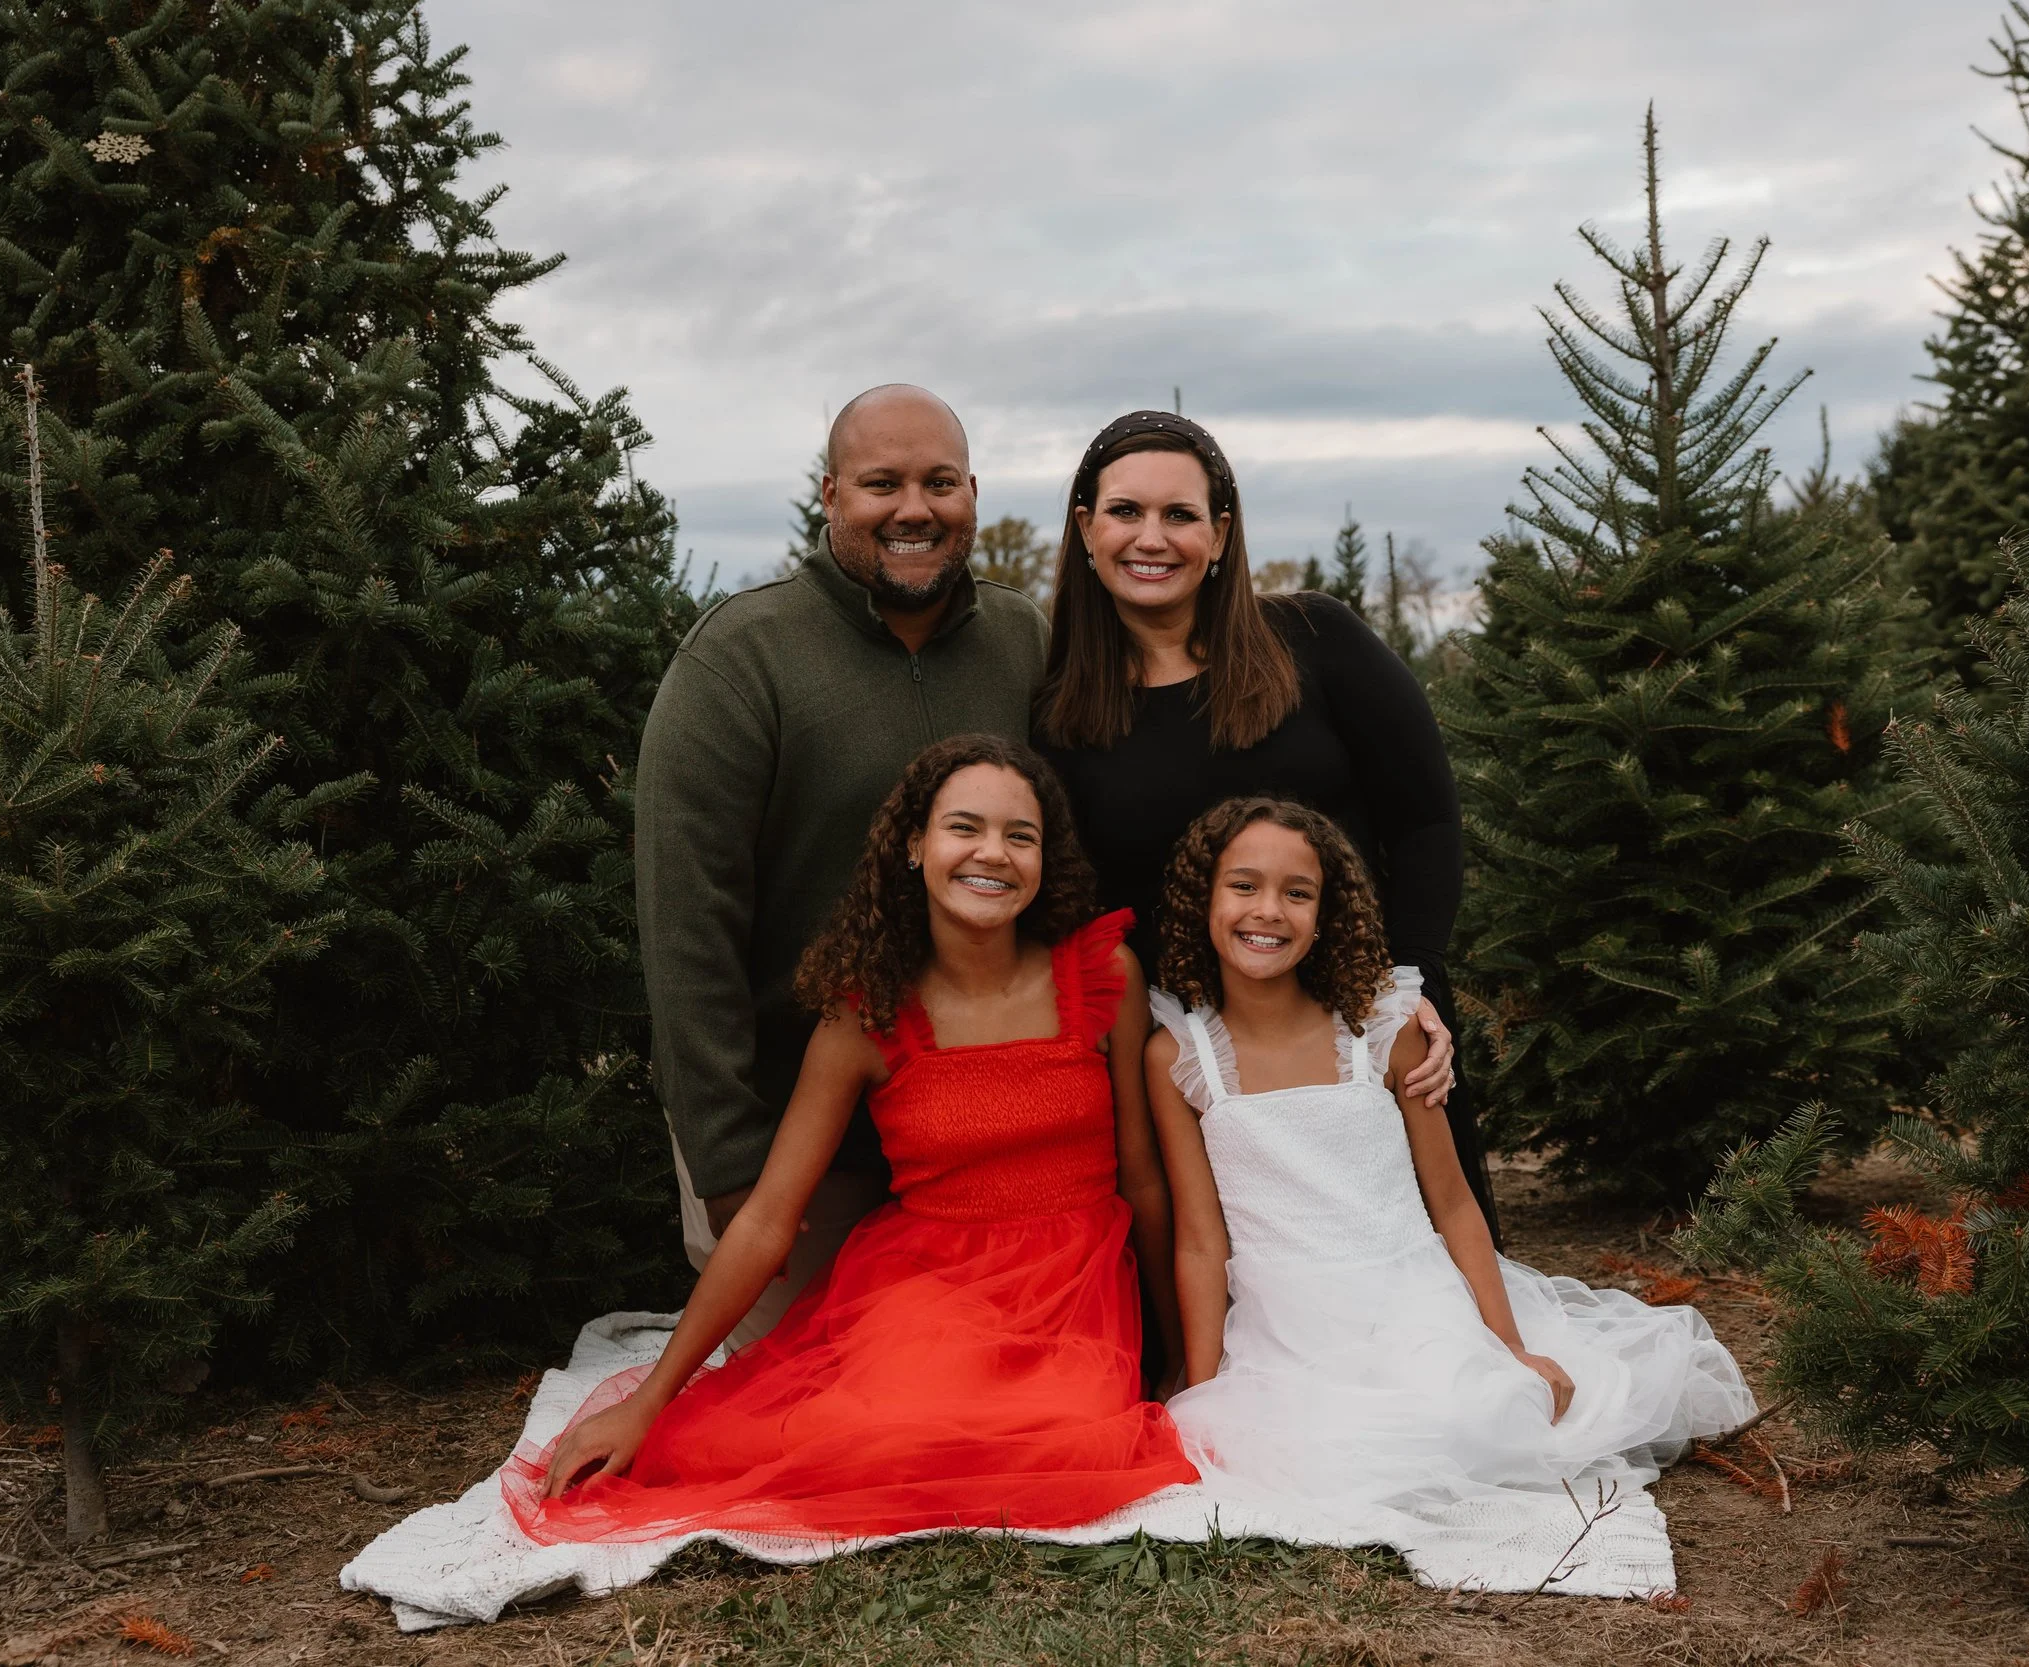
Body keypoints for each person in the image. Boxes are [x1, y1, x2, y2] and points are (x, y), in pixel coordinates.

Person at [507, 736, 1195, 1544]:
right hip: (929, 1289)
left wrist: (1179, 1365)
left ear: (1047, 857)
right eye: (963, 827)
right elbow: (768, 1219)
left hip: (1072, 1291)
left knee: (1060, 1441)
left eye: (1021, 835)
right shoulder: (864, 1016)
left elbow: (1146, 1185)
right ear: (914, 845)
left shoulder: (1101, 976)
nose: (992, 853)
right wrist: (649, 1398)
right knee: (879, 1439)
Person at [1144, 798, 1754, 1574]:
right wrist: (1201, 1389)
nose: (1269, 910)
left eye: (1298, 892)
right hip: (1285, 1323)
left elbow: (1455, 1201)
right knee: (1288, 1450)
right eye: (1244, 885)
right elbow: (1201, 1240)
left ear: (1330, 914)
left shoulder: (1386, 1032)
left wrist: (1509, 1347)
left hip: (1411, 1298)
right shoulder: (1177, 1056)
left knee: (1472, 1416)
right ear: (1204, 900)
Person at [636, 385, 1048, 1346]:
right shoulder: (741, 659)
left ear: (974, 494)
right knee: (823, 1395)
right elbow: (685, 926)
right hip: (797, 1137)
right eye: (882, 483)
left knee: (995, 1380)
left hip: (981, 1127)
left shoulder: (1025, 641)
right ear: (830, 495)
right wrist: (731, 1165)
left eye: (939, 482)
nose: (915, 508)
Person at [1032, 410, 1501, 1237]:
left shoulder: (1318, 642)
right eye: (1125, 512)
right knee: (1252, 1290)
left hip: (1367, 1027)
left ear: (1220, 533)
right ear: (1086, 528)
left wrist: (1408, 986)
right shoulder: (1062, 711)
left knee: (1427, 1274)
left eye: (1180, 514)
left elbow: (1426, 818)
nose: (1152, 537)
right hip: (1204, 1063)